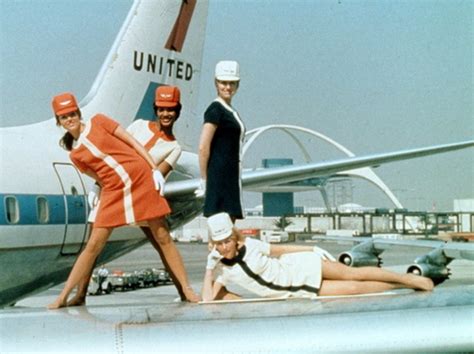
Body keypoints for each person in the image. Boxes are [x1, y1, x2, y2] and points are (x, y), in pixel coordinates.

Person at [48, 92, 198, 309]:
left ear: (79, 113)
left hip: (142, 183)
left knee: (162, 237)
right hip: (114, 191)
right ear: (59, 121)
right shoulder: (75, 155)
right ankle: (66, 296)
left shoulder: (100, 121)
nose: (69, 119)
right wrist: (97, 188)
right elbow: (98, 175)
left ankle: (186, 290)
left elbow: (133, 144)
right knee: (93, 245)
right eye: (64, 117)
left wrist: (154, 169)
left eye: (72, 113)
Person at [201, 213, 434, 301]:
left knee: (354, 273)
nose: (224, 247)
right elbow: (207, 301)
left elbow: (279, 250)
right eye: (219, 243)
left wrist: (310, 249)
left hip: (301, 265)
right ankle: (400, 285)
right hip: (297, 289)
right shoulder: (225, 272)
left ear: (234, 237)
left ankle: (409, 280)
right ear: (213, 245)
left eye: (227, 240)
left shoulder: (251, 244)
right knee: (354, 289)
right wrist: (209, 269)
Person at [196, 61, 245, 223]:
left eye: (232, 83)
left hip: (230, 179)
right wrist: (205, 181)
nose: (228, 87)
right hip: (219, 181)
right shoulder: (215, 110)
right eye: (223, 83)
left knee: (227, 231)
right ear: (216, 83)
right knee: (220, 232)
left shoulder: (228, 110)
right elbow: (203, 147)